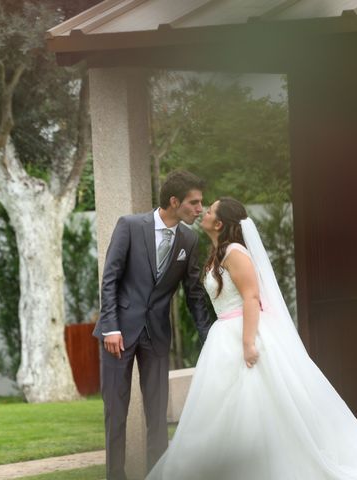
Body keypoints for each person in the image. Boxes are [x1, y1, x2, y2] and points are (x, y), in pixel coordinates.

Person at [146, 197, 357, 480]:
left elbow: (252, 298)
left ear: (219, 223)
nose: (204, 213)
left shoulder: (235, 252)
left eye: (210, 210)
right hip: (224, 336)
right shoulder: (218, 253)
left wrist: (249, 342)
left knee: (257, 404)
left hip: (243, 333)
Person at [93, 170, 212, 480]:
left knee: (158, 415)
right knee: (116, 413)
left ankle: (157, 475)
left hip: (156, 336)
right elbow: (110, 278)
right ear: (174, 202)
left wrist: (209, 337)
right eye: (194, 203)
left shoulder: (189, 238)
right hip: (117, 333)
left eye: (200, 203)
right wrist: (110, 327)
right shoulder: (130, 226)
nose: (200, 209)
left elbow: (194, 293)